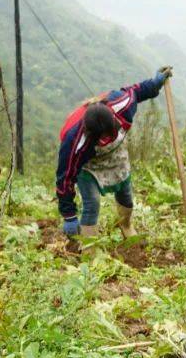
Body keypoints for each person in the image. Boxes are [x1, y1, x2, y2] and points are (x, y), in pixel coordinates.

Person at [57, 67, 173, 238]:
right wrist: (69, 215)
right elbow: (65, 176)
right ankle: (90, 245)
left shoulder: (122, 104)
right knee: (92, 204)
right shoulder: (74, 140)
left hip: (117, 157)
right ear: (90, 134)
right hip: (90, 166)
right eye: (100, 137)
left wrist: (155, 83)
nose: (104, 139)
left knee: (126, 195)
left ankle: (125, 225)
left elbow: (137, 91)